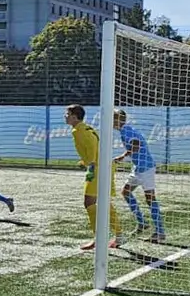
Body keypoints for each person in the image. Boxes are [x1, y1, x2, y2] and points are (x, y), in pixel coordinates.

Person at [68, 104, 121, 251]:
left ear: (74, 116)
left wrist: (89, 163)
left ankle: (99, 238)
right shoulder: (85, 128)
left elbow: (92, 146)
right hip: (104, 166)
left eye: (67, 114)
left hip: (97, 168)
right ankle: (118, 235)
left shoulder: (79, 131)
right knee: (103, 201)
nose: (65, 117)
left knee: (89, 202)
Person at [114, 108, 164, 243]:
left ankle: (160, 232)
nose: (111, 121)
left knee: (150, 199)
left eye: (113, 118)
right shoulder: (125, 130)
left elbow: (136, 144)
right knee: (126, 192)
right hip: (138, 168)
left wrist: (123, 156)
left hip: (146, 168)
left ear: (119, 119)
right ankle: (142, 223)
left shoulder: (126, 130)